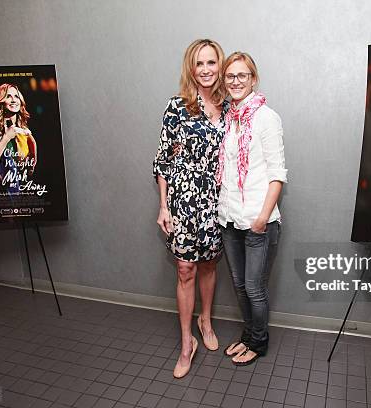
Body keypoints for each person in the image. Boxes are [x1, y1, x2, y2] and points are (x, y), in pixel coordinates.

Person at [152, 39, 228, 378]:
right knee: (185, 269)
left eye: (212, 62)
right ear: (191, 68)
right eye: (200, 63)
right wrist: (163, 206)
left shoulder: (230, 107)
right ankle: (187, 343)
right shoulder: (177, 106)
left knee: (210, 265)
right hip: (184, 200)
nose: (207, 69)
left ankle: (205, 320)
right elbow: (164, 160)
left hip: (217, 201)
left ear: (220, 66)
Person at [217, 52, 287, 366]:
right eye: (230, 76)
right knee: (240, 285)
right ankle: (247, 336)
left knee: (255, 289)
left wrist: (261, 218)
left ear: (253, 79)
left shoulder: (266, 117)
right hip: (230, 218)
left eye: (241, 75)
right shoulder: (230, 119)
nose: (235, 81)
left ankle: (258, 343)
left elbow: (277, 174)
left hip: (258, 222)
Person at [0, 83, 37, 194]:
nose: (13, 100)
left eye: (16, 96)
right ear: (0, 101)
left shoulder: (24, 130)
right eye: (8, 96)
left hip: (22, 187)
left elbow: (26, 166)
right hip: (1, 190)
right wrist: (6, 138)